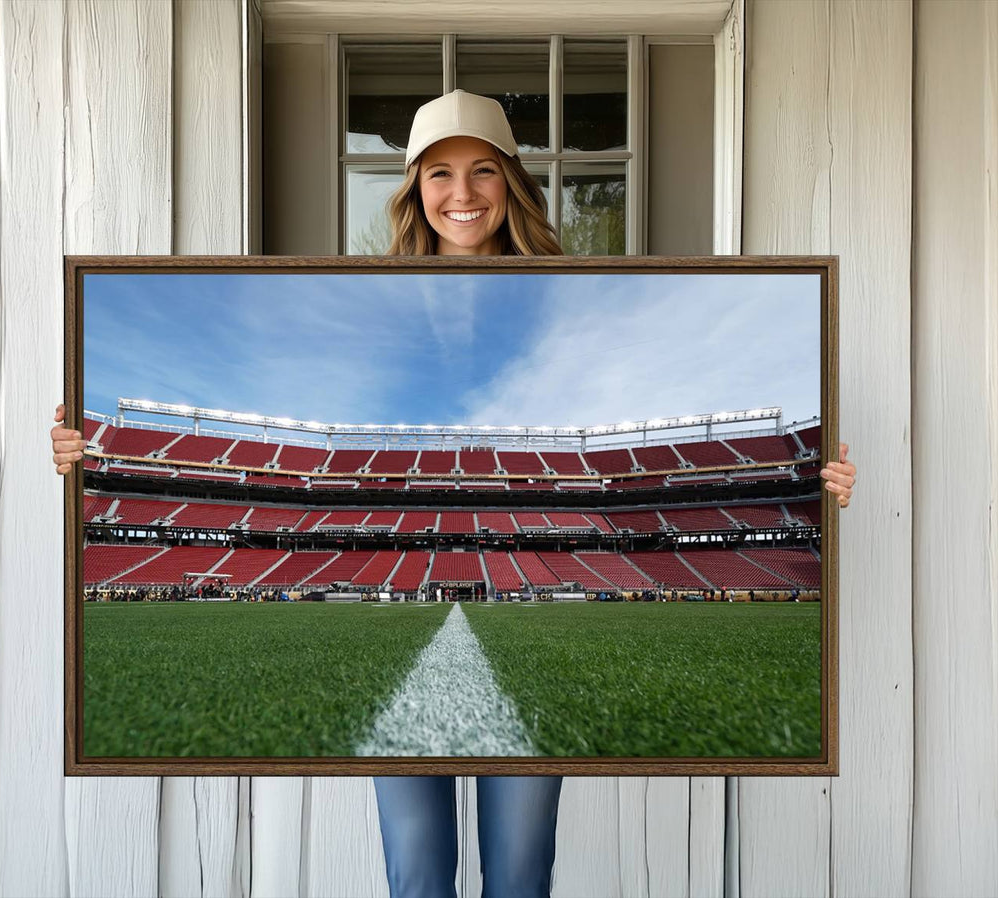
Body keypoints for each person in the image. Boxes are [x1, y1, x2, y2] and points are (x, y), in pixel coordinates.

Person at [49, 89, 858, 898]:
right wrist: (83, 452)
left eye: (482, 171)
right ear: (413, 189)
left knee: (519, 873)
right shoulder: (366, 296)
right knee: (417, 873)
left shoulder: (573, 293)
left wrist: (815, 484)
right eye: (439, 173)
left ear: (511, 181)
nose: (462, 193)